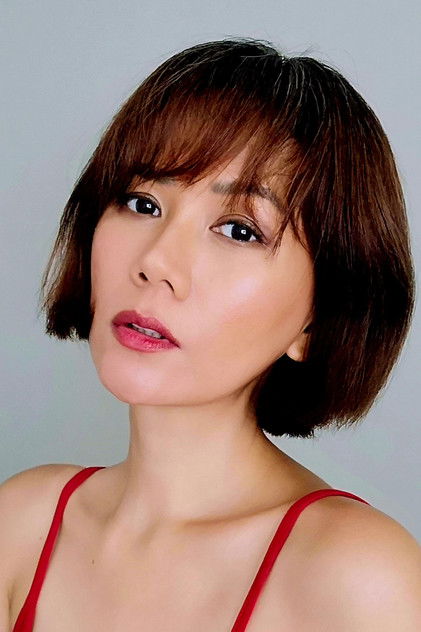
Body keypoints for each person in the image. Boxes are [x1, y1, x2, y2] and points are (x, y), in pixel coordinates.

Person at [1, 37, 420, 631]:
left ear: (317, 318)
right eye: (142, 203)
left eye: (239, 230)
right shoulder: (22, 524)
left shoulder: (357, 580)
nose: (156, 262)